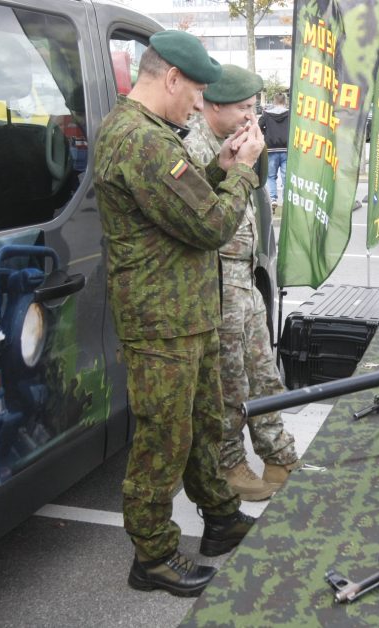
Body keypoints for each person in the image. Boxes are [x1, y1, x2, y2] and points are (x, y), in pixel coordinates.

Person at [93, 31, 264, 597]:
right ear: (170, 79)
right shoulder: (142, 142)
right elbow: (213, 226)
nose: (197, 104)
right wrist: (244, 171)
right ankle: (154, 557)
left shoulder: (151, 137)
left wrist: (218, 168)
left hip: (185, 316)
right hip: (160, 322)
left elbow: (187, 208)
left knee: (201, 426)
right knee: (162, 440)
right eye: (194, 91)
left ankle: (218, 518)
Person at [184, 65, 300, 503]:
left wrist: (256, 151)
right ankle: (229, 462)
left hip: (243, 277)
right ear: (214, 106)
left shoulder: (237, 139)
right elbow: (204, 219)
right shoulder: (195, 147)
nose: (252, 117)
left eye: (255, 107)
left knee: (263, 371)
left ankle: (278, 452)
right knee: (228, 382)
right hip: (215, 281)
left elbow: (255, 189)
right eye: (244, 108)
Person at [259, 92, 289, 209]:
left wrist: (266, 133)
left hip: (271, 149)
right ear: (285, 101)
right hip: (286, 149)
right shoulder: (290, 114)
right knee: (286, 176)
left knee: (271, 176)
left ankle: (273, 199)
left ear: (274, 101)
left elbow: (259, 125)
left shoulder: (266, 114)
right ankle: (287, 200)